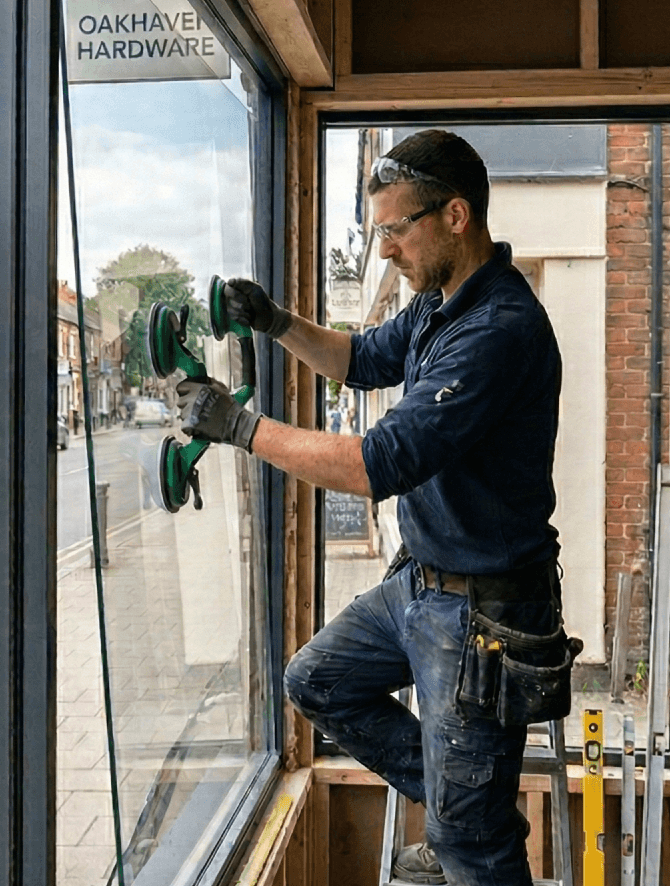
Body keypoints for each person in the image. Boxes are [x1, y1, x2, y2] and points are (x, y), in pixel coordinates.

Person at [174, 130, 574, 886]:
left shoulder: (497, 331)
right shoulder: (437, 303)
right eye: (378, 231)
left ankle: (469, 825)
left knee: (477, 854)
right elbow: (360, 359)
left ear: (455, 215)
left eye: (395, 229)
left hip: (482, 617)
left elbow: (376, 464)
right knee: (317, 681)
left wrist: (241, 427)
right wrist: (274, 321)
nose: (385, 249)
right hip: (420, 585)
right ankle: (465, 800)